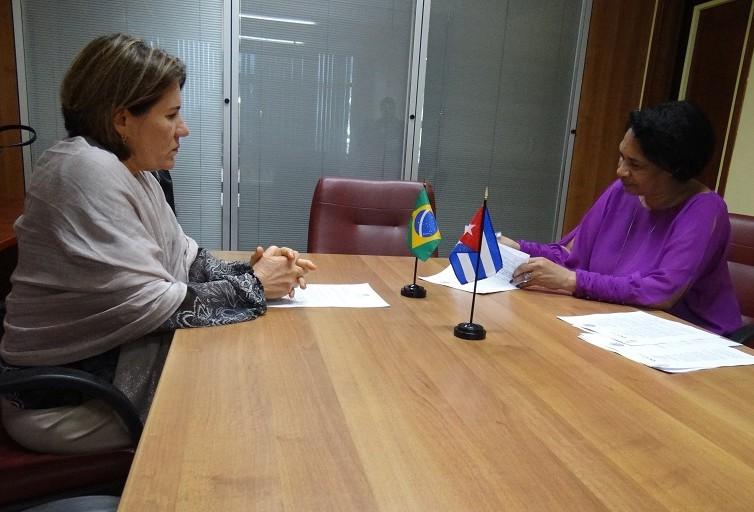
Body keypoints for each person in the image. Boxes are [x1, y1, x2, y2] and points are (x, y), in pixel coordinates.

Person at [0, 33, 316, 453]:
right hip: (70, 400)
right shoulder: (84, 171)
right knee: (246, 406)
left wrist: (254, 271)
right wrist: (255, 284)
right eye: (171, 115)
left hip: (106, 369)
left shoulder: (134, 172)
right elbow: (155, 306)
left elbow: (187, 261)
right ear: (122, 120)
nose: (183, 130)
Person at [501, 100, 741, 336]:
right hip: (616, 325)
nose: (621, 171)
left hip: (686, 338)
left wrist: (571, 281)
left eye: (635, 164)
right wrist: (519, 248)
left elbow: (662, 292)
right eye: (621, 157)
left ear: (673, 170)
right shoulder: (623, 191)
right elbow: (571, 256)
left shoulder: (704, 210)